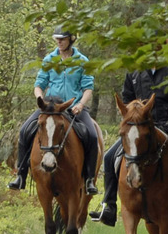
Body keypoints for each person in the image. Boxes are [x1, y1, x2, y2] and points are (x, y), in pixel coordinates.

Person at [94, 64, 168, 232]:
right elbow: (127, 101)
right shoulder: (134, 72)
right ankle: (108, 205)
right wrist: (134, 117)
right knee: (108, 157)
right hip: (141, 128)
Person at [7, 26, 101, 195]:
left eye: (62, 39)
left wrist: (81, 104)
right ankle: (20, 175)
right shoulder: (49, 59)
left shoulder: (82, 61)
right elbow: (39, 85)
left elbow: (88, 88)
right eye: (57, 39)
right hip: (50, 107)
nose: (59, 41)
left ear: (71, 39)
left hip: (74, 108)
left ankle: (88, 180)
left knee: (92, 136)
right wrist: (40, 99)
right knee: (24, 131)